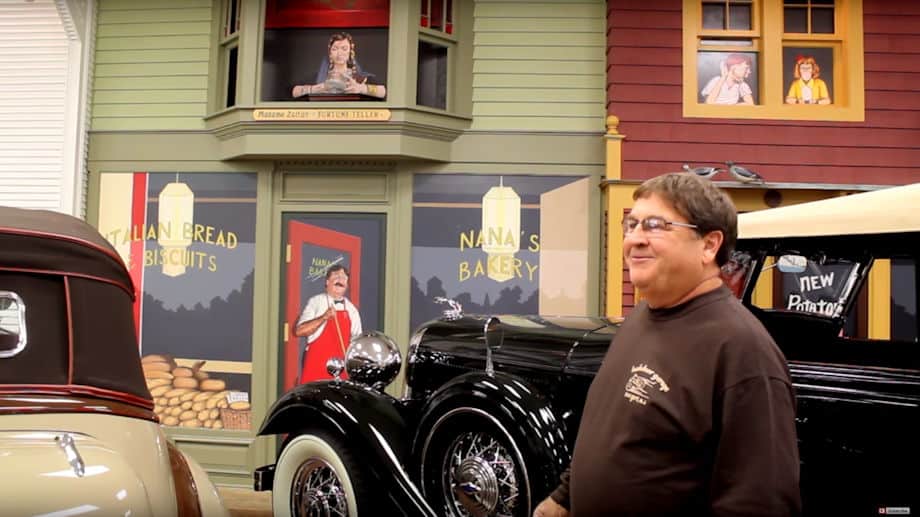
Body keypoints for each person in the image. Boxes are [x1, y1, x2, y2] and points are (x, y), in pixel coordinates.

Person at [533, 173, 800, 516]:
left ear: (709, 245)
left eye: (655, 225)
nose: (635, 239)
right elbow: (614, 433)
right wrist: (563, 499)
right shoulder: (641, 316)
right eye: (631, 224)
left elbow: (761, 503)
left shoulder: (742, 351)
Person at [294, 264, 362, 383]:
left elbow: (357, 343)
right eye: (336, 276)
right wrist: (324, 317)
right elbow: (300, 331)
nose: (340, 280)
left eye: (344, 278)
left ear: (347, 285)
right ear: (327, 282)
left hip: (341, 370)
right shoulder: (316, 302)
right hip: (316, 366)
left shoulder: (352, 310)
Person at [291, 32, 387, 99]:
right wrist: (314, 89)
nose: (339, 53)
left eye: (344, 49)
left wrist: (360, 88)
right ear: (330, 53)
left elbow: (383, 92)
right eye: (335, 49)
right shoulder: (319, 76)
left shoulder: (360, 77)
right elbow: (294, 91)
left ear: (350, 52)